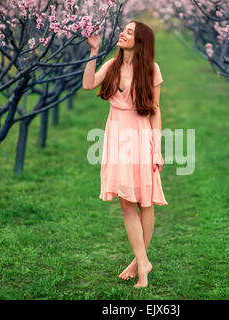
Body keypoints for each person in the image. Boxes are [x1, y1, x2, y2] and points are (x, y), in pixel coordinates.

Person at [82, 20, 168, 288]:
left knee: (145, 201)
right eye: (124, 29)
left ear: (139, 41)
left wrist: (158, 149)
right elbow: (88, 84)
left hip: (140, 136)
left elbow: (154, 109)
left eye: (129, 32)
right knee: (126, 202)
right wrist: (93, 51)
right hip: (116, 137)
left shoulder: (151, 70)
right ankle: (142, 261)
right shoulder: (111, 64)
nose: (123, 33)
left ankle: (139, 262)